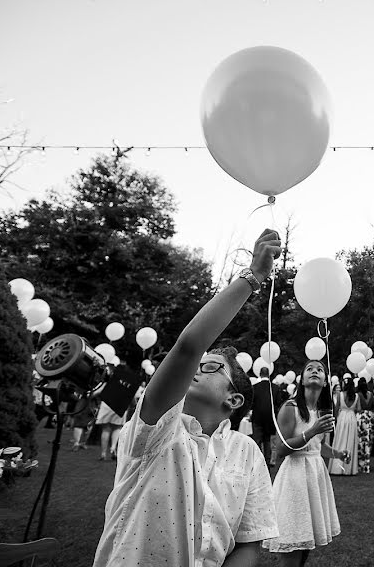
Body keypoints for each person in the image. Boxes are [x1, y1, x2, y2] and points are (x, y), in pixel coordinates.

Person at [92, 229, 281, 567]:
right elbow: (186, 349)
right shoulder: (158, 429)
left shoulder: (247, 452)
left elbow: (248, 542)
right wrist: (252, 277)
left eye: (210, 367)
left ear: (234, 400)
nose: (196, 367)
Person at [265, 360, 348, 565]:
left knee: (306, 544)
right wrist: (312, 431)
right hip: (295, 478)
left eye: (320, 369)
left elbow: (317, 447)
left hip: (315, 476)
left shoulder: (321, 410)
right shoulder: (290, 407)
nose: (315, 371)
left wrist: (337, 453)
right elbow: (282, 449)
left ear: (326, 382)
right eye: (309, 368)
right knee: (294, 539)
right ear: (302, 380)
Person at [252, 366, 283, 468]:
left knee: (257, 440)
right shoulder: (275, 388)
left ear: (260, 374)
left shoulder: (255, 387)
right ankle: (267, 462)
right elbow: (279, 404)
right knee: (267, 441)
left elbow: (251, 404)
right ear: (268, 375)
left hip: (257, 418)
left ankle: (256, 462)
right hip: (270, 419)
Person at [329, 377, 360, 476]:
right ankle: (349, 468)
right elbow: (358, 409)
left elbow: (337, 407)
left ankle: (337, 468)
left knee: (340, 440)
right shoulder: (356, 396)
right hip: (352, 418)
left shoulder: (340, 395)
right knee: (350, 441)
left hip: (342, 417)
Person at [356, 379, 374, 473]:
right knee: (368, 441)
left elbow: (358, 407)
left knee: (360, 442)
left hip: (361, 418)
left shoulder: (358, 395)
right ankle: (367, 465)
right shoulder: (371, 395)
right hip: (370, 418)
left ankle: (360, 465)